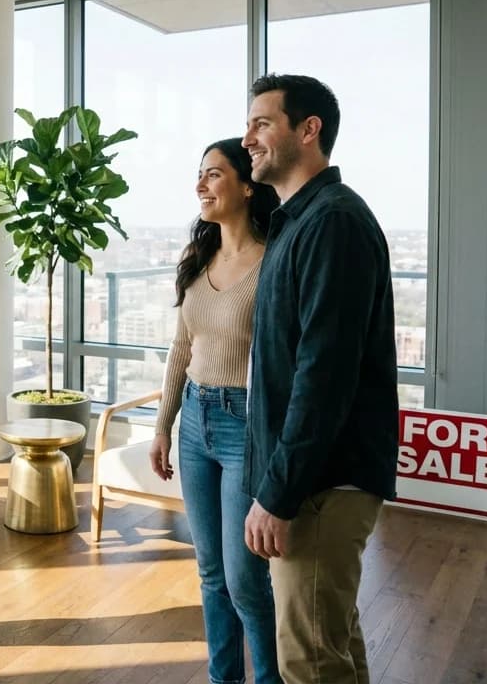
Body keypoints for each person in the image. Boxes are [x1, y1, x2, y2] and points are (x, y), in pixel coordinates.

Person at [240, 74, 399, 684]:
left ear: (310, 131)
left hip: (321, 486)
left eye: (262, 123)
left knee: (308, 660)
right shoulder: (299, 221)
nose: (247, 137)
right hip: (312, 479)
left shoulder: (332, 223)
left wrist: (277, 493)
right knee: (330, 641)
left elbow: (323, 377)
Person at [149, 138, 282, 684]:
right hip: (196, 426)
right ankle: (222, 678)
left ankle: (271, 679)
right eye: (199, 175)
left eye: (213, 175)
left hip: (246, 424)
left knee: (244, 578)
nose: (201, 185)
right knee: (209, 573)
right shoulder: (198, 258)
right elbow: (183, 349)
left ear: (248, 186)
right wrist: (163, 426)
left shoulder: (273, 261)